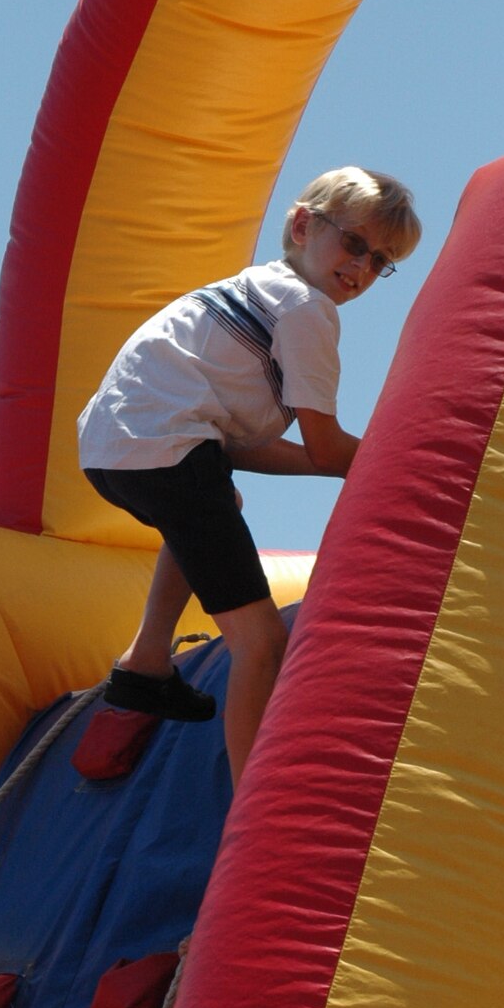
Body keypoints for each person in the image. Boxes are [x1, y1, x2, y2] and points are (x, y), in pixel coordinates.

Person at [77, 167, 422, 789]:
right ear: (301, 225)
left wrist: (350, 469)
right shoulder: (308, 310)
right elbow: (324, 444)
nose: (363, 268)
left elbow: (246, 448)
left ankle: (147, 660)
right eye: (354, 244)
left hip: (115, 448)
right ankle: (251, 804)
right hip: (168, 452)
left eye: (381, 261)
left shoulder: (257, 289)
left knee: (216, 499)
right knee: (260, 642)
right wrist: (408, 468)